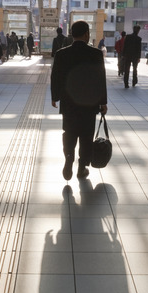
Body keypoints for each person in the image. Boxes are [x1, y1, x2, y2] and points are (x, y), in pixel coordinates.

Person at [51, 20, 107, 181]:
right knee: (86, 136)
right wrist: (103, 102)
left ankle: (69, 156)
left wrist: (55, 97)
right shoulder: (96, 54)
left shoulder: (62, 53)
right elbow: (100, 79)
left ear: (72, 34)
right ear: (86, 34)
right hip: (90, 104)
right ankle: (82, 167)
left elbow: (55, 77)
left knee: (69, 132)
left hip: (69, 103)